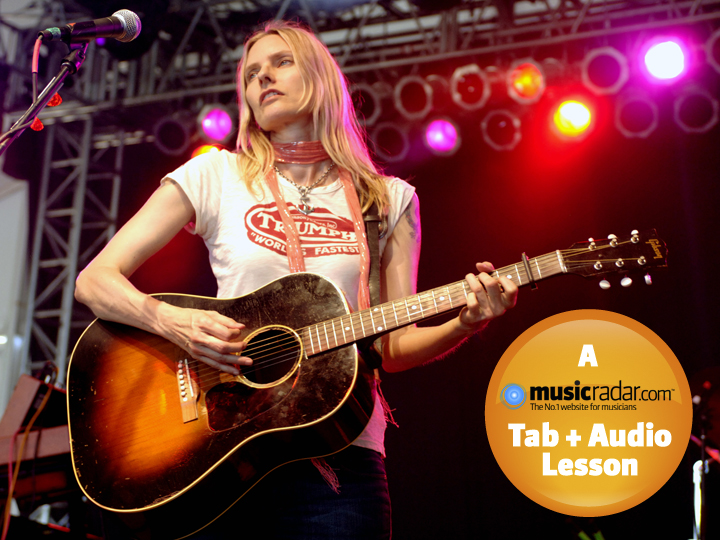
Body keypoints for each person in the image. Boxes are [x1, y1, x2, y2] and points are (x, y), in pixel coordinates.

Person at [74, 20, 518, 540]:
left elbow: (393, 347)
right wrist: (172, 322)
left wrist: (466, 324)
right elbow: (94, 280)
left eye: (280, 63)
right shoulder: (213, 176)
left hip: (339, 458)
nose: (262, 79)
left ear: (321, 79)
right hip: (220, 450)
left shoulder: (389, 199)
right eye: (251, 74)